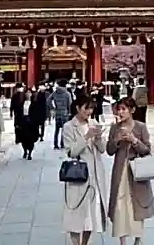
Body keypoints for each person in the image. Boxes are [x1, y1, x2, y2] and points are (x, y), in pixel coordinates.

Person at [106, 97, 154, 245]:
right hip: (120, 171)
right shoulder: (115, 128)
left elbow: (146, 150)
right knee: (120, 205)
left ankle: (137, 239)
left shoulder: (140, 127)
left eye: (124, 109)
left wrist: (134, 140)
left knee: (137, 204)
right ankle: (122, 241)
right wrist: (117, 140)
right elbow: (109, 151)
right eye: (119, 109)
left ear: (132, 110)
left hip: (136, 172)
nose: (120, 112)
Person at [61, 93, 108, 245]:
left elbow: (102, 149)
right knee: (75, 216)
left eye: (91, 109)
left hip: (95, 176)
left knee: (91, 217)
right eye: (86, 108)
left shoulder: (94, 123)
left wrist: (98, 137)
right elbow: (71, 152)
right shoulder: (69, 127)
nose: (89, 112)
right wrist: (86, 137)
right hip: (79, 175)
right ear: (77, 108)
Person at [25, 86, 48, 158]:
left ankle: (39, 135)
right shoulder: (41, 99)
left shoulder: (37, 101)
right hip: (36, 117)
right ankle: (40, 135)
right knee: (40, 126)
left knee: (36, 128)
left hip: (35, 118)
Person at [50, 81, 75, 149]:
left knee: (57, 129)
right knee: (64, 129)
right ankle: (62, 143)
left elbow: (48, 100)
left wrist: (53, 108)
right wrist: (70, 112)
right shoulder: (67, 93)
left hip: (57, 112)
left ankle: (55, 144)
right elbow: (70, 104)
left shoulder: (55, 93)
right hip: (65, 112)